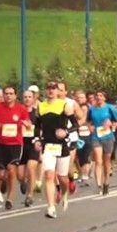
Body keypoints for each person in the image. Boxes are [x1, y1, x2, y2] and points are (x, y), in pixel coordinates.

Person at [0, 86, 31, 210]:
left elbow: (28, 123)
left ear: (15, 96)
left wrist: (27, 124)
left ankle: (9, 199)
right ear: (3, 95)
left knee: (11, 169)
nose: (8, 96)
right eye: (6, 93)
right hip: (0, 145)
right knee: (0, 175)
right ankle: (3, 181)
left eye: (11, 93)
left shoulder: (21, 109)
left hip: (15, 145)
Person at [36, 81, 75, 218]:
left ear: (58, 91)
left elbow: (75, 124)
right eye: (49, 88)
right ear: (46, 91)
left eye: (54, 88)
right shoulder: (41, 106)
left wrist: (66, 132)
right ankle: (51, 207)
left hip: (61, 145)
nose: (51, 90)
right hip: (48, 145)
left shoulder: (65, 105)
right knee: (49, 175)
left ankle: (64, 193)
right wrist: (37, 140)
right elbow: (37, 126)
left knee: (63, 178)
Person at [88, 91, 117, 195]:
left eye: (101, 96)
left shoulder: (110, 108)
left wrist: (111, 123)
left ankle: (106, 182)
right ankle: (99, 185)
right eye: (97, 96)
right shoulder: (91, 109)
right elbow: (88, 121)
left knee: (106, 161)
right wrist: (90, 126)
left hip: (108, 137)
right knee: (98, 160)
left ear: (104, 98)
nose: (98, 97)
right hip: (96, 136)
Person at [17, 90, 40, 207]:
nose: (27, 99)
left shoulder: (37, 114)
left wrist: (39, 140)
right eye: (25, 97)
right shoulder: (18, 113)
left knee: (31, 168)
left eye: (29, 97)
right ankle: (23, 182)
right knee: (20, 175)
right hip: (20, 145)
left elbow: (42, 129)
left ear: (33, 99)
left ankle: (30, 195)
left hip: (33, 145)